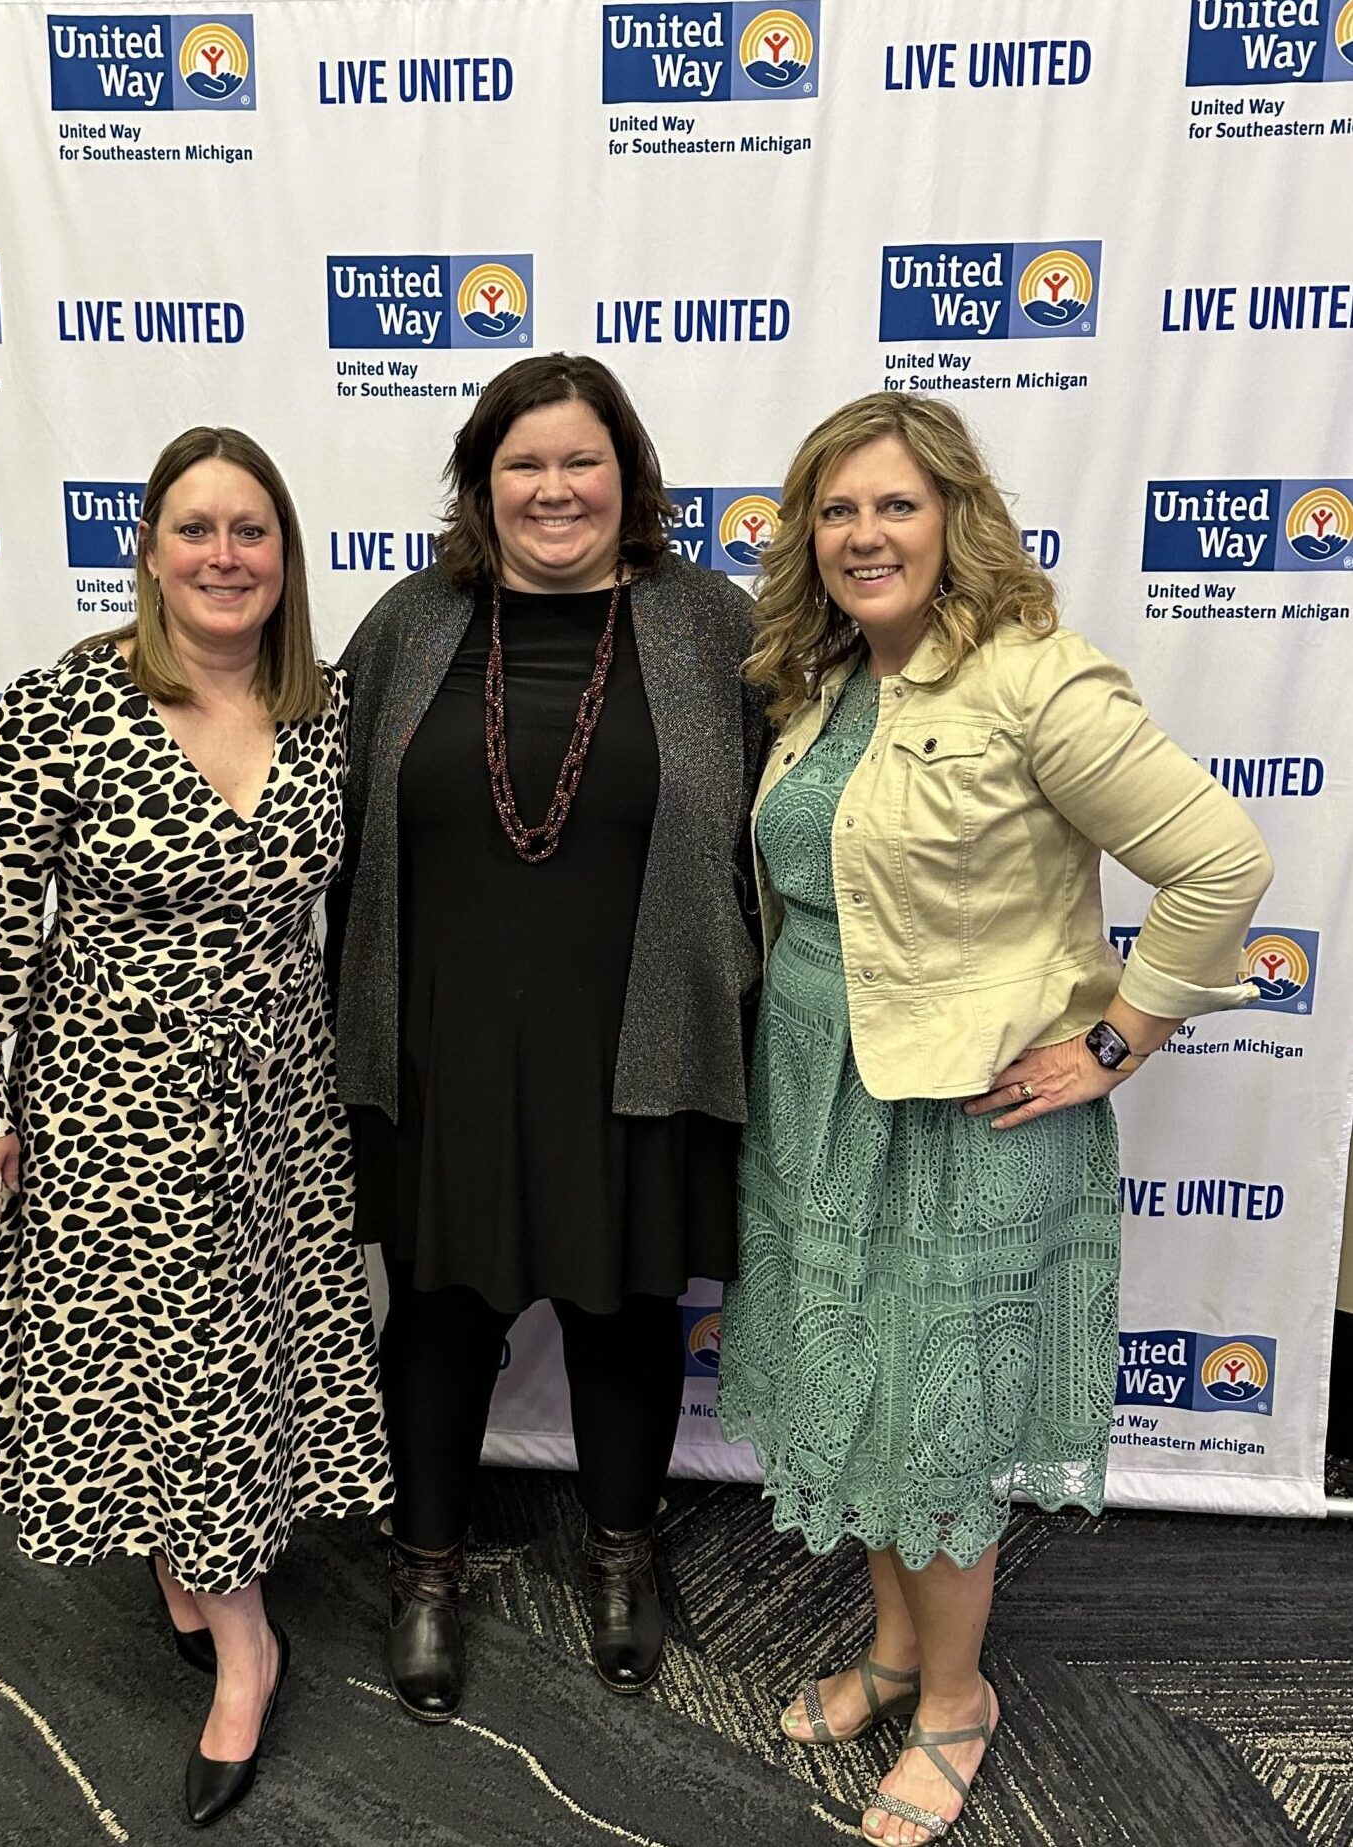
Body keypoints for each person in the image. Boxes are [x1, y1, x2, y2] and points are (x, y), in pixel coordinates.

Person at [717, 393, 1272, 1844]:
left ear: (958, 516)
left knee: (936, 1415)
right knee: (862, 1389)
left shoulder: (1037, 678)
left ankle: (957, 1700)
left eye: (893, 504)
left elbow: (1219, 862)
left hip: (967, 1113)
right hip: (817, 1079)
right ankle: (900, 1654)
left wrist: (1119, 1036)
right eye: (834, 510)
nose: (860, 534)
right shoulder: (821, 677)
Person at [0, 426, 391, 1827]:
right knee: (159, 1362)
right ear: (150, 549)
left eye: (252, 531)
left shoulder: (327, 706)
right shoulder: (69, 703)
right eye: (197, 530)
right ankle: (247, 1642)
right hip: (111, 1102)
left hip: (275, 1104)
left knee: (229, 1360)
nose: (225, 556)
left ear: (284, 557)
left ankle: (203, 1564)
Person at [330, 353, 766, 1721]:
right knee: (440, 1315)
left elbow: (786, 818)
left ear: (628, 477)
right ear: (480, 482)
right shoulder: (409, 622)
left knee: (627, 1308)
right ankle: (426, 1569)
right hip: (439, 1041)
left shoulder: (706, 625)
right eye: (523, 464)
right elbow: (324, 824)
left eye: (581, 460)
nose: (553, 488)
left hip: (635, 1037)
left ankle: (624, 1557)